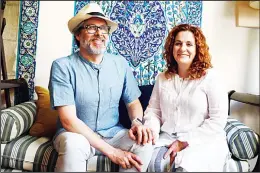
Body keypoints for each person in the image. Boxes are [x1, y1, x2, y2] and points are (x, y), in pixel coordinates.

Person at [48, 3, 155, 172]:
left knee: (144, 143)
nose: (99, 33)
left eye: (103, 28)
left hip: (113, 133)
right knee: (73, 145)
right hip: (77, 135)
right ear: (78, 34)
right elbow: (68, 121)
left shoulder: (120, 63)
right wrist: (113, 152)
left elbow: (133, 103)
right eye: (91, 28)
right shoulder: (62, 66)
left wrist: (136, 122)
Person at [143, 24, 230, 172]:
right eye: (178, 43)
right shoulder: (162, 78)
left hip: (204, 140)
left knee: (186, 166)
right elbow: (154, 111)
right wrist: (150, 131)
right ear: (172, 48)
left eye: (189, 44)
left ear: (197, 49)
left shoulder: (211, 77)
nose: (183, 48)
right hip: (168, 137)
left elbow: (218, 120)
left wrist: (184, 142)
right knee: (147, 161)